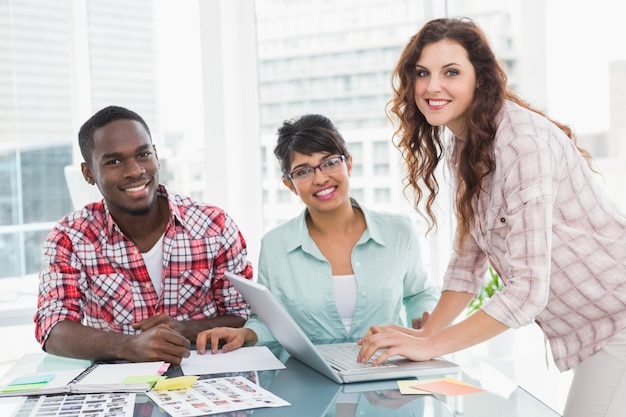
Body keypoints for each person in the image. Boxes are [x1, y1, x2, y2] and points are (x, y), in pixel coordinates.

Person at [356, 17, 626, 417]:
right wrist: (425, 333)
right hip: (594, 326)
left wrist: (431, 347)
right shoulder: (461, 148)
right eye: (422, 73)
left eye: (451, 72)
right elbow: (468, 262)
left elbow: (527, 290)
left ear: (480, 79)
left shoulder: (522, 144)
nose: (432, 87)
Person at [196, 113, 439, 355]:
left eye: (330, 162)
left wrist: (425, 318)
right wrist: (244, 334)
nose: (321, 178)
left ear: (349, 164)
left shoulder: (398, 231)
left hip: (384, 372)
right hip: (310, 379)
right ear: (290, 185)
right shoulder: (276, 245)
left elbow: (418, 293)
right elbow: (270, 322)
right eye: (303, 172)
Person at [34, 105, 253, 365]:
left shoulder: (215, 225)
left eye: (143, 154)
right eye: (114, 161)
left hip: (205, 377)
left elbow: (242, 313)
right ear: (88, 173)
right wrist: (129, 346)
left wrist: (184, 329)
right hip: (115, 385)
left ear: (156, 155)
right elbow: (52, 328)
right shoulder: (70, 237)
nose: (135, 171)